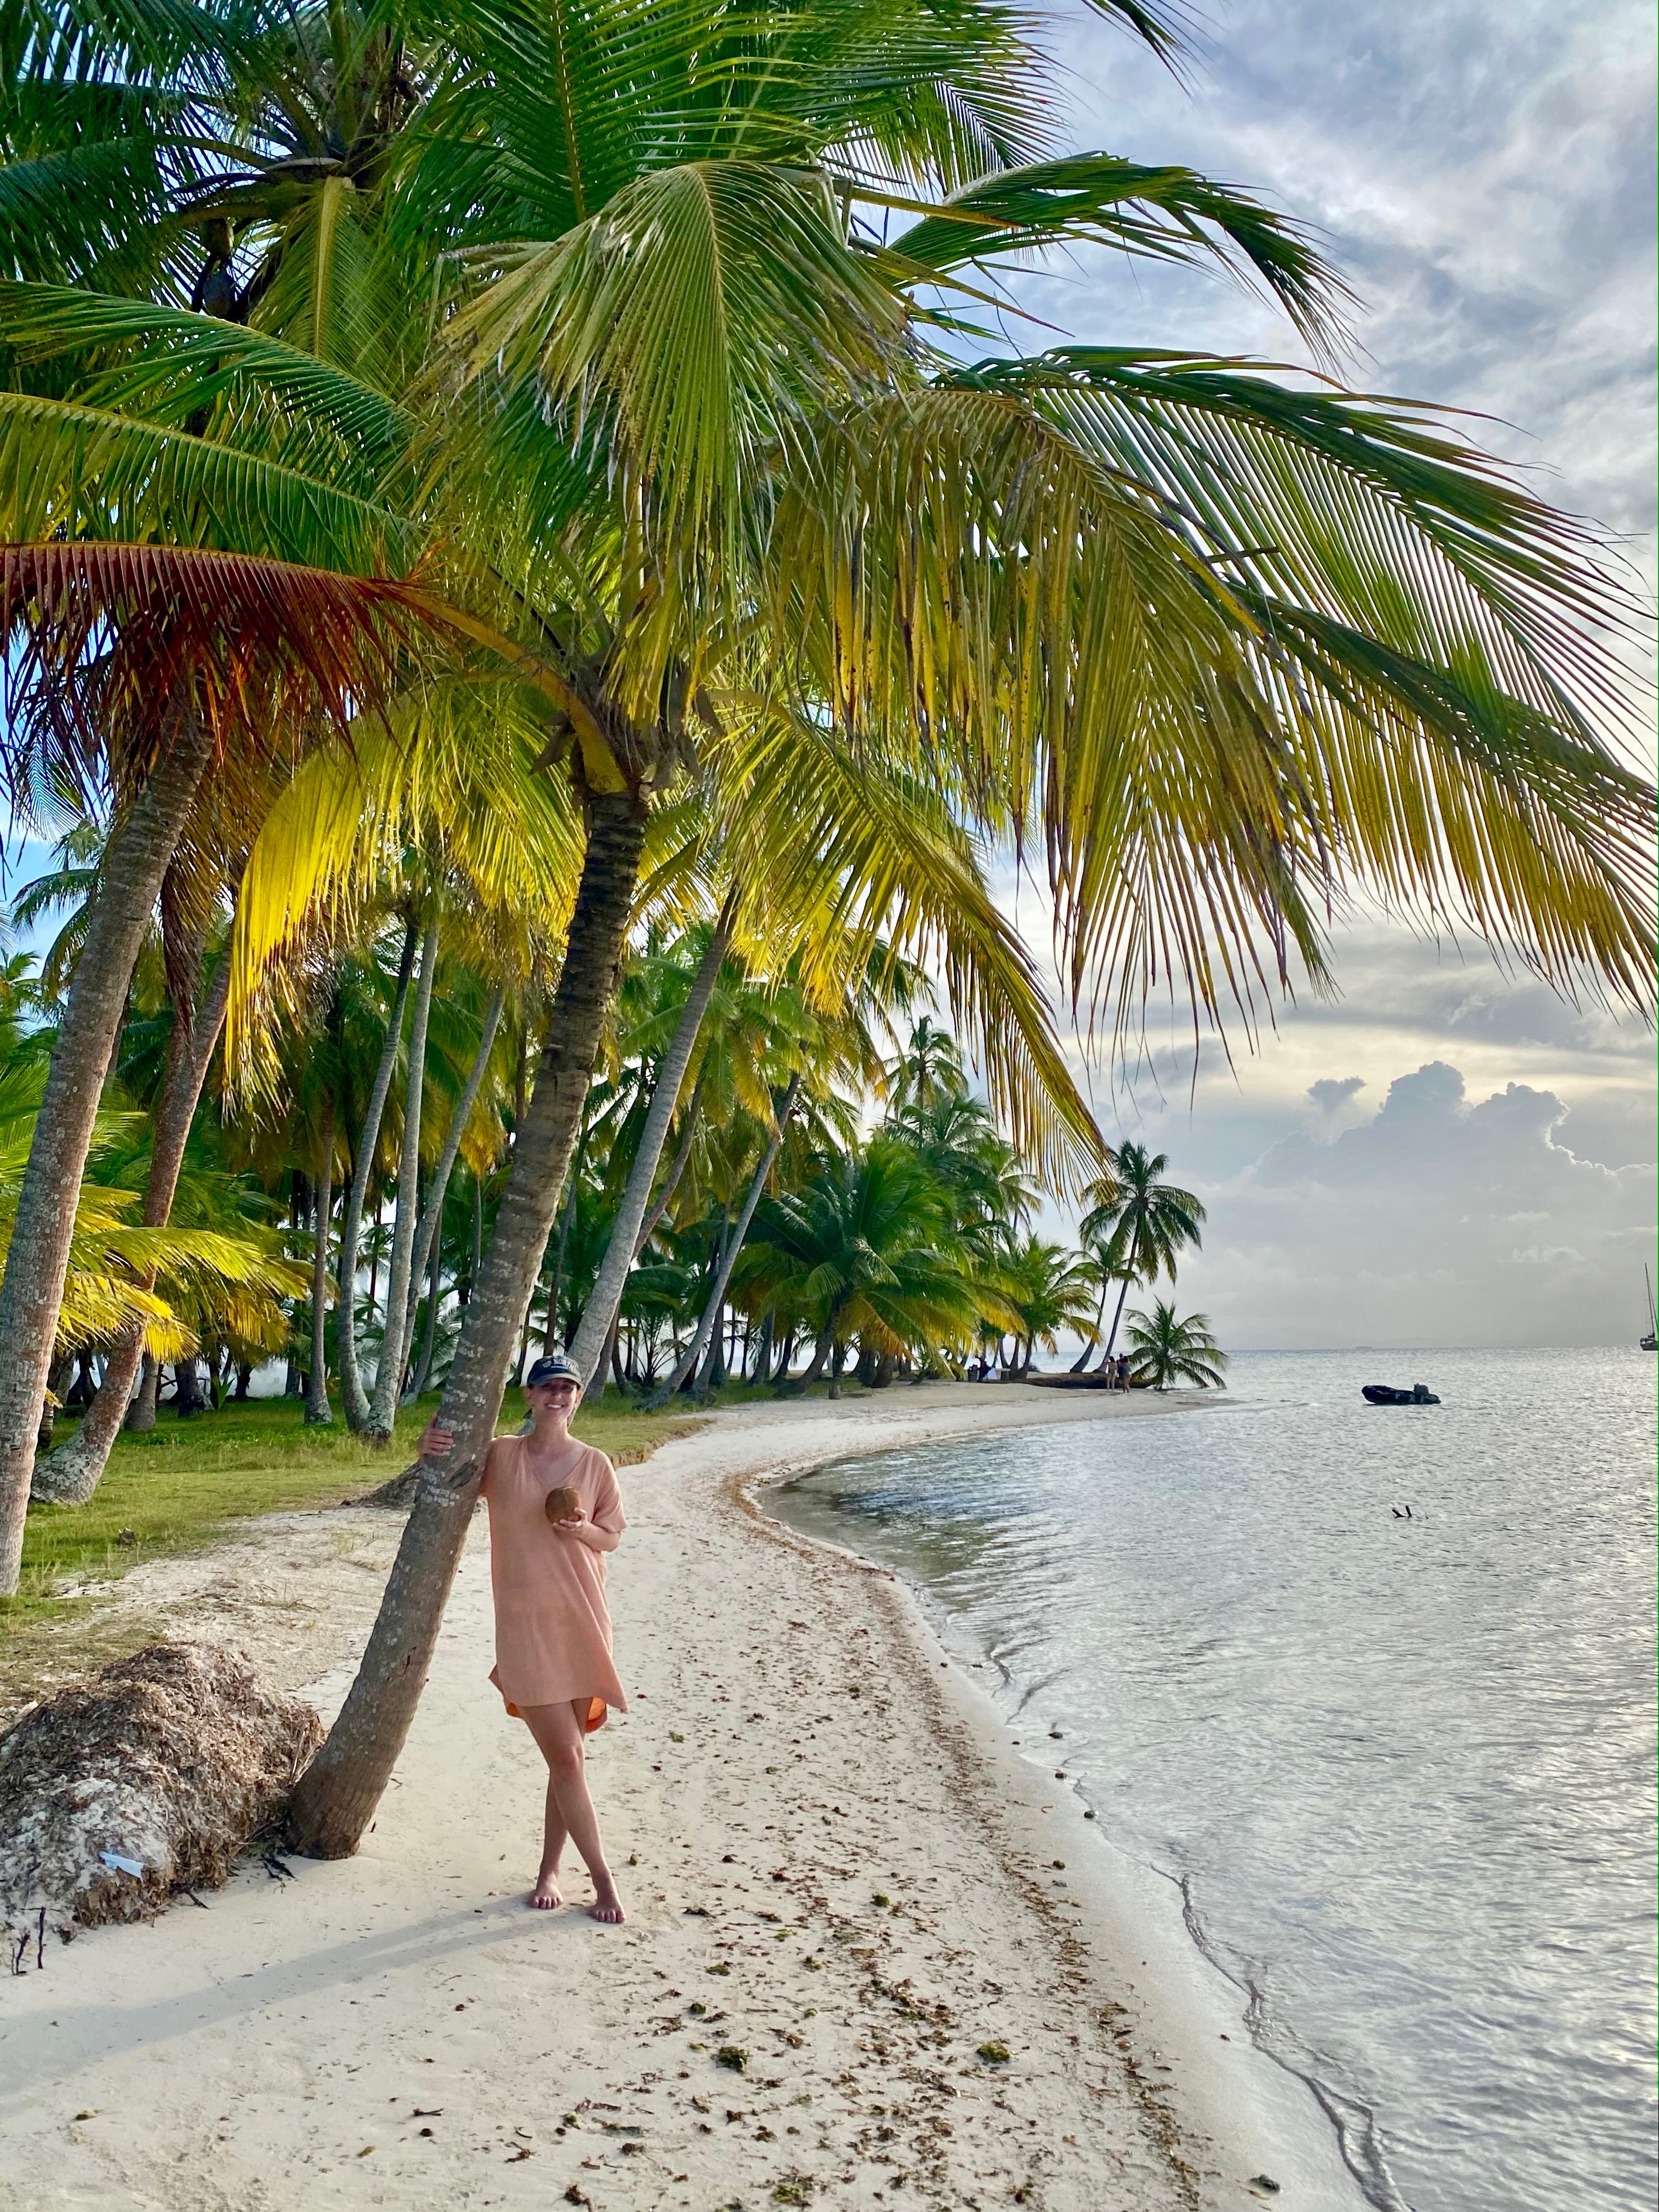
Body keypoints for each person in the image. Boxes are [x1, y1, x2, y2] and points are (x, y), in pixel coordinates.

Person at [417, 1352, 628, 1922]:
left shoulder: (595, 1464)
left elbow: (611, 1538)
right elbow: (450, 1473)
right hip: (525, 1629)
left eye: (568, 1388)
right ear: (529, 1397)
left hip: (583, 1620)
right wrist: (427, 1444)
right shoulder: (503, 1455)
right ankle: (604, 1882)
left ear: (577, 1398)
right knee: (564, 1756)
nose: (558, 1396)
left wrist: (582, 1529)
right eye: (548, 1387)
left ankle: (550, 1871)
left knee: (571, 1760)